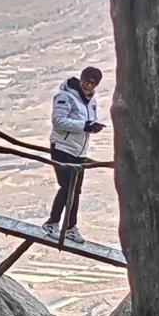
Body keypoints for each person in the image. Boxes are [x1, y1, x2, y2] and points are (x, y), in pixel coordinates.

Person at [43, 67, 105, 241]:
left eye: (93, 83)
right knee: (66, 187)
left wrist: (92, 127)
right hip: (62, 147)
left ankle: (70, 227)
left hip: (79, 150)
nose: (88, 85)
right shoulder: (65, 96)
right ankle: (52, 223)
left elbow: (86, 122)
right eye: (86, 80)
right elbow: (58, 121)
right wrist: (84, 126)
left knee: (75, 190)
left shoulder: (91, 102)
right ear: (81, 79)